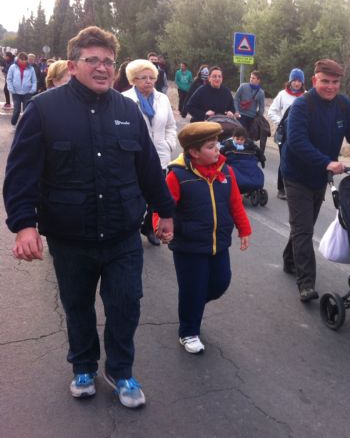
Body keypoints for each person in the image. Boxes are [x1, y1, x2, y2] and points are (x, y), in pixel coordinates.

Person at [3, 26, 175, 409]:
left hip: (122, 234)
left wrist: (165, 212)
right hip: (70, 238)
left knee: (126, 304)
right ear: (75, 64)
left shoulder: (128, 111)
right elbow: (22, 174)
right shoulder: (44, 110)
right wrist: (24, 225)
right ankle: (83, 365)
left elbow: (149, 169)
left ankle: (120, 370)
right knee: (77, 305)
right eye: (92, 60)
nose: (101, 68)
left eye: (108, 62)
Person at [281, 59, 350, 302]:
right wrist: (326, 161)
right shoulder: (303, 105)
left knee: (305, 223)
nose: (330, 87)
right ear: (314, 81)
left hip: (320, 177)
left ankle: (289, 260)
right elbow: (297, 141)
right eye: (325, 81)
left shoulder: (343, 105)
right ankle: (306, 283)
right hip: (297, 175)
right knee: (303, 229)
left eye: (335, 82)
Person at [159, 122, 251, 354]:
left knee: (221, 282)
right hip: (188, 246)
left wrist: (244, 229)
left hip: (217, 242)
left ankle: (194, 304)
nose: (218, 149)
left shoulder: (225, 171)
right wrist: (163, 229)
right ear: (194, 152)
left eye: (217, 144)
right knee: (192, 288)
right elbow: (163, 208)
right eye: (211, 146)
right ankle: (188, 331)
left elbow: (235, 203)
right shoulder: (177, 175)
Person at [122, 59, 178, 246]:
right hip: (134, 158)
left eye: (152, 77)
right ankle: (130, 227)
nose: (148, 81)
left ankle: (148, 227)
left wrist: (169, 144)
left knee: (157, 194)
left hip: (160, 156)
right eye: (143, 77)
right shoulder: (125, 99)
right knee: (136, 195)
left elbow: (171, 126)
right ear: (133, 80)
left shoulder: (162, 99)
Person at [267, 68, 306, 200]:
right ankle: (281, 189)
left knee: (300, 161)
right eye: (294, 80)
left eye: (299, 81)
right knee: (285, 160)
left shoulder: (306, 96)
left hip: (301, 134)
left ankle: (297, 189)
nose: (296, 83)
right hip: (285, 134)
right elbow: (271, 111)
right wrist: (282, 122)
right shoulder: (282, 95)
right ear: (290, 81)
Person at [6, 51, 37, 126]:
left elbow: (34, 80)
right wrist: (11, 89)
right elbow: (9, 79)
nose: (23, 61)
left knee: (26, 110)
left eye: (25, 59)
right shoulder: (13, 67)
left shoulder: (31, 68)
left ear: (27, 60)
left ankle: (24, 125)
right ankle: (13, 124)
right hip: (16, 92)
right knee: (17, 110)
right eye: (21, 59)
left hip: (27, 92)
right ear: (18, 59)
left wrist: (33, 89)